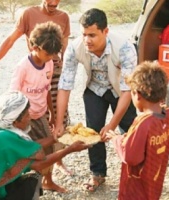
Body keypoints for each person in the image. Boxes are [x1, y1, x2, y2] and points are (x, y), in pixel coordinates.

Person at [0, 0, 72, 180]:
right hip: (27, 97)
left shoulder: (52, 54)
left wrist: (52, 113)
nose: (53, 2)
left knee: (56, 128)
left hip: (49, 80)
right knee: (26, 146)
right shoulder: (28, 15)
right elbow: (10, 41)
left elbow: (64, 50)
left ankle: (50, 174)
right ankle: (24, 178)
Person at [54, 8, 137, 192]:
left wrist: (112, 125)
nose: (87, 40)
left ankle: (134, 173)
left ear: (105, 31)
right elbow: (65, 85)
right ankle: (98, 173)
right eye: (84, 35)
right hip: (94, 89)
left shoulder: (124, 47)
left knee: (131, 132)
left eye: (92, 35)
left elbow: (127, 90)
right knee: (92, 132)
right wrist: (59, 122)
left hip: (120, 91)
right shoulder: (75, 48)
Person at [0, 91, 89, 200]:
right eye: (27, 115)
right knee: (32, 181)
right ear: (15, 121)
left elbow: (29, 147)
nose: (30, 118)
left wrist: (57, 138)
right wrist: (69, 149)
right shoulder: (4, 138)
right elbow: (39, 163)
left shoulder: (2, 133)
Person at [9, 21, 68, 193]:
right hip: (23, 119)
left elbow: (47, 89)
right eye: (47, 53)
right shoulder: (23, 67)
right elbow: (13, 96)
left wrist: (50, 111)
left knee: (48, 148)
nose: (50, 57)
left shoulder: (49, 63)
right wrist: (16, 121)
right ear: (34, 46)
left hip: (41, 114)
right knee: (27, 152)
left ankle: (48, 181)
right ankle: (24, 186)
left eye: (53, 55)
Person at [104, 61, 169, 200]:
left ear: (137, 94)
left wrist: (116, 139)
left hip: (136, 190)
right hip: (154, 182)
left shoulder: (143, 123)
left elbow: (130, 156)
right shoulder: (168, 115)